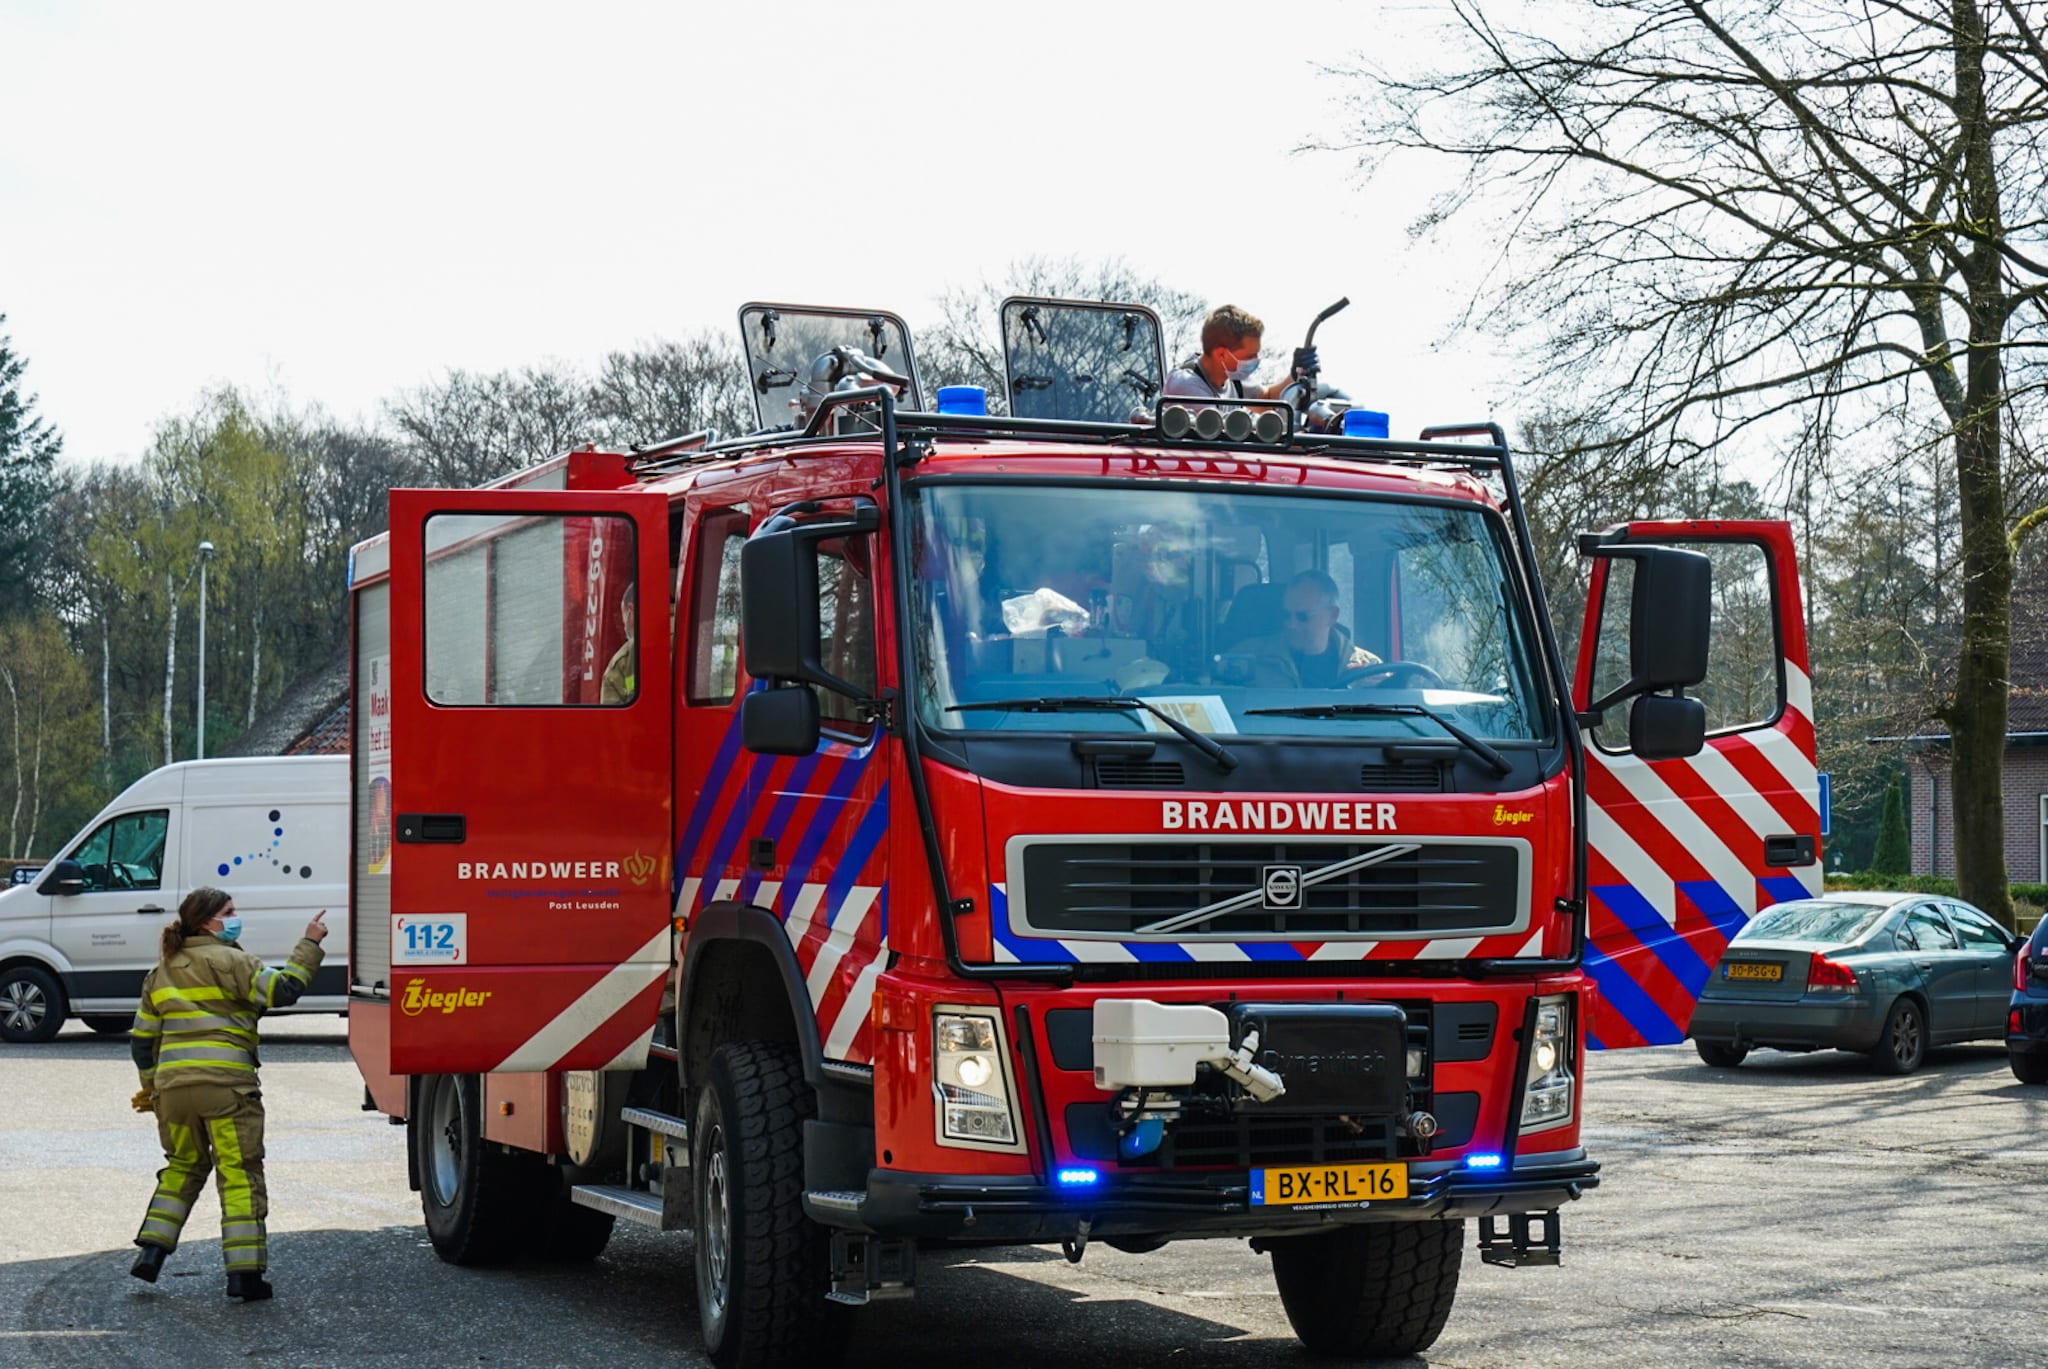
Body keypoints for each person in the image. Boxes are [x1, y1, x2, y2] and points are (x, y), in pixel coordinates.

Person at [128, 888, 328, 1300]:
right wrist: (309, 942)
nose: (236, 917)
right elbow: (285, 989)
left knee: (183, 1166)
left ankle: (152, 1251)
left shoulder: (159, 972)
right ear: (206, 922)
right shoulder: (234, 961)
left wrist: (150, 1089)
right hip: (226, 1089)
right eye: (229, 911)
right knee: (238, 1175)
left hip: (173, 1093)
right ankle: (244, 1276)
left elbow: (142, 1043)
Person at [1233, 569, 1383, 688]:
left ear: (1332, 615)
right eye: (1286, 615)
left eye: (1302, 616)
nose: (1291, 624)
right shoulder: (1247, 658)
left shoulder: (1369, 666)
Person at [1161, 304, 1317, 402]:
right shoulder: (1186, 386)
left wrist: (1295, 374)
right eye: (1250, 356)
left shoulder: (1232, 379)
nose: (1257, 360)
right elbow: (1215, 433)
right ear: (1221, 355)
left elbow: (1267, 398)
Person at [601, 584, 636, 704]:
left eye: (623, 617)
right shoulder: (686, 632)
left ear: (631, 610)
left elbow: (611, 714)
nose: (624, 625)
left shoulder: (622, 662)